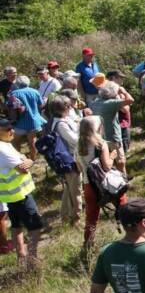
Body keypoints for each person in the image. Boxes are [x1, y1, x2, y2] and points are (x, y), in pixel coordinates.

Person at [0, 118, 42, 267]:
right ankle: (33, 259)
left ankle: (22, 258)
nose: (12, 131)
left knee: (16, 226)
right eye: (7, 129)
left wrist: (25, 159)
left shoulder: (5, 145)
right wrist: (30, 160)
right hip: (21, 194)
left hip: (9, 196)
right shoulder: (3, 149)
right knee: (34, 226)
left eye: (12, 127)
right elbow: (23, 167)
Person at [78, 115, 123, 247]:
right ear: (97, 128)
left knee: (91, 217)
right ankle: (132, 232)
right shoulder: (100, 144)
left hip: (88, 185)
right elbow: (107, 166)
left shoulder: (78, 145)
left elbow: (79, 167)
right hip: (106, 184)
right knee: (123, 205)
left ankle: (88, 244)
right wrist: (113, 155)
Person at [48, 96, 83, 226]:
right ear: (65, 108)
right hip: (70, 160)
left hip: (68, 158)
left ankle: (65, 216)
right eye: (69, 106)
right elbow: (75, 140)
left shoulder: (60, 120)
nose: (71, 108)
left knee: (69, 188)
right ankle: (75, 218)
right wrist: (82, 129)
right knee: (76, 189)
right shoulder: (61, 124)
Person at [90, 80, 134, 175]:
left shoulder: (95, 102)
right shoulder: (111, 103)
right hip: (113, 137)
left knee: (106, 161)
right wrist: (124, 92)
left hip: (100, 137)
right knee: (120, 161)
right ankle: (123, 181)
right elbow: (130, 101)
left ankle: (112, 182)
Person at [8, 76, 46, 160]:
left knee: (15, 142)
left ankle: (17, 159)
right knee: (32, 141)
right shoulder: (35, 92)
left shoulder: (14, 93)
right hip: (34, 122)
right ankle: (32, 159)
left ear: (17, 84)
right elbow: (41, 105)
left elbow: (9, 106)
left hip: (20, 122)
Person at [107, 70, 132, 154]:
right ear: (113, 78)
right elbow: (125, 109)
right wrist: (124, 95)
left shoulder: (116, 91)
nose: (122, 80)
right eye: (120, 78)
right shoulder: (113, 92)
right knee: (122, 150)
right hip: (121, 124)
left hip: (122, 123)